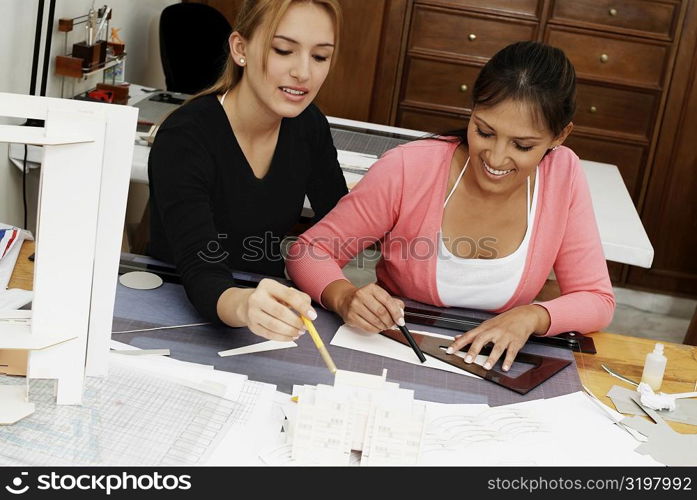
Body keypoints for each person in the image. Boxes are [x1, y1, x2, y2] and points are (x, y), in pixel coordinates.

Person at [286, 41, 615, 372]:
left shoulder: (563, 174)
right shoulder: (410, 168)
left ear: (559, 136)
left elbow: (597, 299)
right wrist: (345, 297)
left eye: (523, 145)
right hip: (394, 349)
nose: (496, 158)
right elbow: (309, 251)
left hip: (493, 365)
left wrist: (532, 315)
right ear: (472, 111)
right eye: (484, 132)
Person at [148, 0, 348, 341]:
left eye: (320, 56)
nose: (303, 72)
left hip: (268, 308)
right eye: (283, 50)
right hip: (177, 303)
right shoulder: (185, 137)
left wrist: (347, 293)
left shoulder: (308, 125)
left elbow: (340, 224)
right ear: (240, 49)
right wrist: (247, 306)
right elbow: (202, 271)